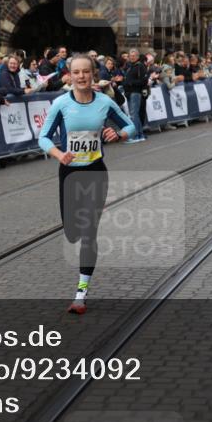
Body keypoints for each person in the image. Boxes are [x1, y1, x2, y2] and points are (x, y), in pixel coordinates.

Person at [37, 53, 136, 315]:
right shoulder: (60, 103)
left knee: (89, 232)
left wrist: (119, 134)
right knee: (72, 231)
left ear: (94, 74)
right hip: (69, 173)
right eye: (76, 72)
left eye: (86, 72)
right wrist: (59, 154)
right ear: (69, 75)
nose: (81, 76)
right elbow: (43, 137)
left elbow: (131, 125)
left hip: (96, 172)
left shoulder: (104, 102)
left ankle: (81, 293)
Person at [122, 48, 148, 143]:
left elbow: (143, 81)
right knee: (134, 114)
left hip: (135, 92)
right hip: (129, 93)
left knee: (134, 115)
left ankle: (136, 134)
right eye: (130, 56)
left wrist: (130, 83)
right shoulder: (130, 66)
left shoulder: (140, 66)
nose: (132, 57)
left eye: (134, 56)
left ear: (137, 56)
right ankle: (140, 134)